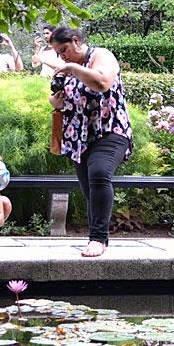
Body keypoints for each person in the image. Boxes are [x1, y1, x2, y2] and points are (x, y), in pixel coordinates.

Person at [47, 24, 133, 257]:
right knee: (90, 190)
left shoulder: (101, 55)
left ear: (76, 41)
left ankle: (97, 239)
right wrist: (56, 103)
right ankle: (98, 231)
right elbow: (67, 101)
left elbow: (102, 83)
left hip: (110, 130)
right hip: (79, 138)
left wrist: (72, 67)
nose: (61, 56)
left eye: (64, 50)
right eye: (58, 54)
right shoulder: (68, 69)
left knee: (98, 174)